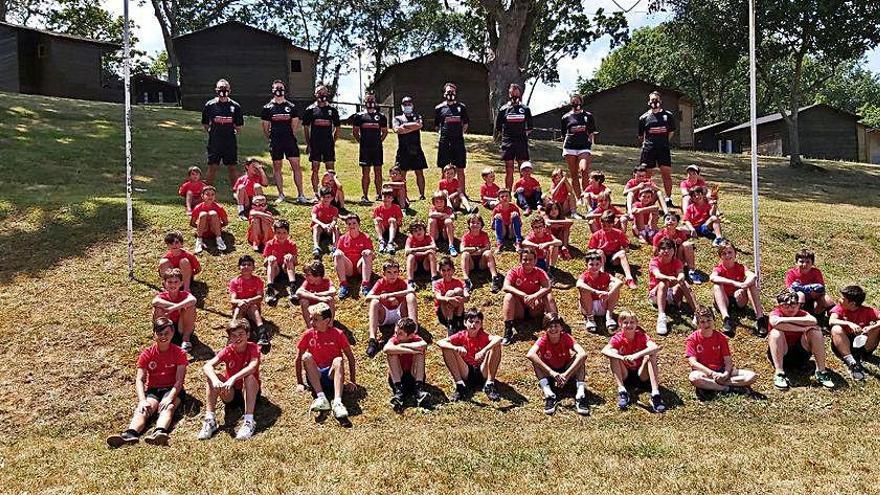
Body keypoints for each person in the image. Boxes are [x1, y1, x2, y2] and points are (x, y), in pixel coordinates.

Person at [106, 318, 188, 448]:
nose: (163, 337)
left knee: (168, 407)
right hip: (154, 390)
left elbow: (179, 380)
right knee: (143, 409)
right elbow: (140, 379)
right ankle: (129, 434)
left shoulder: (179, 353)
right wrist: (142, 400)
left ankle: (160, 432)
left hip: (172, 389)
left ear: (172, 333)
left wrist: (170, 398)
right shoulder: (147, 354)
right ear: (154, 334)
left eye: (166, 333)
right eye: (159, 334)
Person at [197, 320, 261, 441]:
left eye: (241, 334)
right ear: (230, 338)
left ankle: (249, 421)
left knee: (249, 377)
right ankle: (210, 420)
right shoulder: (228, 350)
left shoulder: (253, 347)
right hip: (230, 392)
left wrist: (233, 378)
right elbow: (207, 366)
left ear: (248, 335)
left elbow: (252, 367)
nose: (237, 338)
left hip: (249, 391)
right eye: (234, 335)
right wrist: (216, 380)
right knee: (213, 375)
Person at [295, 303, 357, 419]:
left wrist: (352, 381)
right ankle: (321, 397)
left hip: (331, 375)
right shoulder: (308, 334)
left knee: (338, 360)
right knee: (306, 357)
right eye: (311, 319)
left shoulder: (338, 334)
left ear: (327, 320)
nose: (312, 323)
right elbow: (298, 358)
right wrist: (299, 382)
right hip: (316, 375)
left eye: (316, 320)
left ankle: (338, 402)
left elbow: (350, 357)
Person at [768, 289, 835, 389]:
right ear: (779, 306)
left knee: (816, 331)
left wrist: (786, 320)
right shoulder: (775, 313)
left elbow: (813, 320)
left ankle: (821, 371)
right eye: (786, 306)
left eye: (793, 305)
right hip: (781, 352)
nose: (790, 308)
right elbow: (775, 323)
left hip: (800, 353)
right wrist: (802, 328)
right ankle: (779, 373)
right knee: (776, 333)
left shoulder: (802, 313)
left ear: (799, 305)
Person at [601, 310, 666, 413]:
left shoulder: (642, 336)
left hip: (642, 374)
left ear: (636, 324)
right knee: (613, 355)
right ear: (620, 324)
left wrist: (636, 355)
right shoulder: (617, 338)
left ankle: (655, 394)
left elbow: (654, 347)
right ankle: (622, 391)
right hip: (625, 374)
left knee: (651, 355)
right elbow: (604, 350)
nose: (629, 325)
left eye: (632, 322)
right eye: (625, 322)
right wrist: (621, 357)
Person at [686, 306, 758, 398]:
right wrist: (712, 373)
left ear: (714, 320)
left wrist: (726, 373)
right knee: (694, 378)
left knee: (752, 376)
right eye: (702, 322)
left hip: (721, 370)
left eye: (709, 320)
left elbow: (728, 360)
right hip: (705, 372)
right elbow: (693, 362)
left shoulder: (721, 338)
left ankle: (715, 385)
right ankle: (727, 388)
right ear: (698, 324)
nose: (706, 324)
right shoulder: (692, 339)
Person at [526, 315, 589, 415]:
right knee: (535, 360)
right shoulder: (543, 339)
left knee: (580, 359)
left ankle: (580, 395)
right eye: (550, 326)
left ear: (561, 327)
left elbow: (582, 353)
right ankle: (549, 394)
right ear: (545, 328)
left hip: (565, 369)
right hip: (549, 371)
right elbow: (530, 354)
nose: (553, 329)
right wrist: (552, 373)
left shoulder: (566, 337)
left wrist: (566, 375)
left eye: (556, 326)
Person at [437, 308, 502, 401]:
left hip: (482, 370)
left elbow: (498, 339)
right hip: (466, 371)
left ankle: (489, 384)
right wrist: (456, 348)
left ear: (481, 324)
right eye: (471, 321)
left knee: (496, 346)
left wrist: (484, 350)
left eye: (477, 322)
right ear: (465, 323)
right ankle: (460, 385)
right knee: (447, 348)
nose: (473, 325)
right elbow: (440, 342)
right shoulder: (461, 335)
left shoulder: (483, 335)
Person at [261, 79, 307, 204]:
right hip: (275, 141)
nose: (279, 90)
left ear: (284, 90)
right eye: (277, 88)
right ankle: (281, 194)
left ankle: (301, 194)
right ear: (272, 90)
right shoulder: (267, 108)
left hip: (290, 141)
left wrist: (288, 135)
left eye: (281, 88)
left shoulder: (291, 107)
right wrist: (272, 137)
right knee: (277, 167)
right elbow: (265, 128)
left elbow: (295, 125)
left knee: (296, 166)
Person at [709, 241, 768, 337]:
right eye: (724, 253)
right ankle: (726, 319)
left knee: (751, 284)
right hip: (724, 301)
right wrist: (735, 283)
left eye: (730, 252)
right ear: (720, 256)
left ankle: (760, 319)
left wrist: (744, 286)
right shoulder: (718, 268)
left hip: (739, 300)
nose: (727, 255)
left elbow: (752, 276)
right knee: (717, 284)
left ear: (735, 254)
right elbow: (712, 277)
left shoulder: (740, 267)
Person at [502, 248, 558, 345]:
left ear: (535, 260)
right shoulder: (514, 272)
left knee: (548, 295)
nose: (527, 262)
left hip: (534, 308)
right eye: (524, 259)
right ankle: (508, 330)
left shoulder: (539, 272)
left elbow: (548, 287)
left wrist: (535, 296)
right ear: (520, 261)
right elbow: (506, 286)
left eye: (531, 259)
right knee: (508, 296)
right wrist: (523, 295)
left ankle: (555, 324)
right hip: (519, 309)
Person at [365, 260, 418, 358]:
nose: (392, 275)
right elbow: (368, 297)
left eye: (395, 272)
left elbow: (412, 291)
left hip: (400, 313)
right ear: (383, 273)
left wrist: (392, 295)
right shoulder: (380, 282)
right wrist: (383, 297)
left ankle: (413, 332)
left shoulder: (401, 281)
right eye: (389, 272)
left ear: (398, 273)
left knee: (410, 296)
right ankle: (373, 340)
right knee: (374, 302)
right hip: (384, 314)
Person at [829, 285, 880, 381]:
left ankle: (862, 355)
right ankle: (851, 361)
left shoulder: (867, 311)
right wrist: (849, 324)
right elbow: (831, 321)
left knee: (877, 328)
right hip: (843, 343)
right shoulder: (839, 308)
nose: (840, 300)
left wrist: (870, 327)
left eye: (843, 299)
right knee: (836, 328)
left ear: (852, 303)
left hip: (862, 343)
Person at [649, 238, 697, 336]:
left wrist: (681, 276)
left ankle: (697, 312)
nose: (666, 251)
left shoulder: (677, 262)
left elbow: (680, 273)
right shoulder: (654, 262)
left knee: (684, 283)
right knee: (663, 283)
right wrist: (670, 278)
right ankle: (661, 316)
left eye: (669, 248)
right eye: (663, 248)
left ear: (674, 250)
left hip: (671, 292)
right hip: (656, 294)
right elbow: (657, 275)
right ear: (658, 251)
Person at [201, 79, 243, 189]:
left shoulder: (235, 106)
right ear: (216, 90)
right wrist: (213, 132)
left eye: (225, 89)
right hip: (215, 142)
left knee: (232, 167)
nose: (223, 91)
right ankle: (206, 193)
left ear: (229, 90)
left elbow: (238, 126)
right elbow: (205, 124)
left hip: (230, 142)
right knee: (212, 167)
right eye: (220, 89)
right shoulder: (210, 105)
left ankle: (237, 192)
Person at [638, 91, 676, 207]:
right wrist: (648, 144)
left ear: (660, 101)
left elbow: (671, 132)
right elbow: (641, 136)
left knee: (666, 174)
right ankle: (644, 198)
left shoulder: (668, 115)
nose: (654, 102)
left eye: (657, 100)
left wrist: (663, 142)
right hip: (649, 149)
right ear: (649, 102)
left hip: (663, 149)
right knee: (646, 176)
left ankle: (668, 198)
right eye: (652, 100)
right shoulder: (643, 117)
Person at [302, 85, 341, 196]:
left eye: (324, 92)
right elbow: (305, 127)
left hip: (328, 144)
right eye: (319, 92)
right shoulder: (310, 110)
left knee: (330, 170)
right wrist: (308, 144)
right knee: (315, 169)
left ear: (327, 94)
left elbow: (337, 127)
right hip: (315, 144)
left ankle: (332, 193)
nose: (322, 94)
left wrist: (333, 141)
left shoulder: (332, 110)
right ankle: (316, 193)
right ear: (315, 94)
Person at [384, 317, 430, 409]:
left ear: (410, 335)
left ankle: (419, 389)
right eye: (396, 332)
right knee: (391, 354)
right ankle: (399, 391)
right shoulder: (394, 339)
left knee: (420, 353)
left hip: (414, 375)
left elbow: (423, 345)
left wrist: (402, 347)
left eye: (400, 334)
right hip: (399, 376)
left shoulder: (416, 339)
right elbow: (386, 349)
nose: (396, 336)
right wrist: (411, 351)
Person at [228, 255, 270, 354]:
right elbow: (233, 300)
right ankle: (232, 333)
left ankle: (262, 334)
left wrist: (248, 301)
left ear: (253, 267)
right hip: (240, 307)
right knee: (239, 307)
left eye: (249, 264)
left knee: (253, 307)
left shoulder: (258, 280)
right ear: (239, 267)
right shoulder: (234, 282)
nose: (246, 266)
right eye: (243, 264)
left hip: (252, 308)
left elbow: (260, 297)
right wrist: (241, 302)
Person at [352, 92, 388, 202]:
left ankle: (379, 194)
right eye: (368, 100)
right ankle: (365, 195)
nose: (370, 102)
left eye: (372, 100)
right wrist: (362, 142)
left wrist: (378, 141)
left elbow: (385, 132)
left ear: (375, 101)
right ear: (364, 102)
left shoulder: (381, 117)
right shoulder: (359, 116)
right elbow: (355, 132)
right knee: (365, 172)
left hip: (377, 148)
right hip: (365, 149)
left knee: (378, 172)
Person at [496, 83, 533, 190]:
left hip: (521, 142)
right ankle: (508, 192)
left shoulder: (525, 109)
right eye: (513, 94)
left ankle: (523, 191)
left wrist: (522, 134)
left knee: (523, 168)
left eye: (517, 94)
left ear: (520, 94)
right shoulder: (503, 109)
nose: (515, 97)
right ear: (509, 94)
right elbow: (498, 127)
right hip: (508, 142)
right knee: (509, 168)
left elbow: (530, 127)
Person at [151, 268, 197, 354]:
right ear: (164, 284)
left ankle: (186, 340)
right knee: (158, 309)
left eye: (176, 282)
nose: (173, 285)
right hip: (167, 324)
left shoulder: (184, 294)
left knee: (191, 307)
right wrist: (176, 306)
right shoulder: (162, 296)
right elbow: (155, 301)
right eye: (170, 282)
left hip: (181, 326)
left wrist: (175, 308)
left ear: (181, 283)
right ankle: (162, 336)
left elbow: (193, 300)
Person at [576, 250, 623, 333]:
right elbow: (579, 284)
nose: (594, 267)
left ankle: (609, 316)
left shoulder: (605, 275)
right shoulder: (585, 276)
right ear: (586, 265)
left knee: (614, 286)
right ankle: (590, 319)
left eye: (597, 264)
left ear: (601, 264)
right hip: (588, 306)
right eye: (591, 264)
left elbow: (619, 282)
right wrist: (596, 292)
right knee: (583, 289)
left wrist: (609, 293)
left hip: (602, 303)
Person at [434, 82, 469, 193]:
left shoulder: (461, 107)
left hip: (458, 142)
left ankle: (461, 193)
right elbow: (436, 126)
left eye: (452, 91)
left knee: (460, 168)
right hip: (445, 142)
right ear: (444, 93)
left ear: (456, 93)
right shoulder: (439, 108)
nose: (450, 93)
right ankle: (443, 194)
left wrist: (460, 133)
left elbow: (466, 123)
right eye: (448, 91)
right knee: (444, 168)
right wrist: (443, 134)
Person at [587, 211, 637, 288]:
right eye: (604, 225)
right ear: (601, 223)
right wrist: (597, 251)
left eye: (609, 225)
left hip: (613, 258)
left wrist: (625, 249)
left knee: (622, 253)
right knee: (600, 252)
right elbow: (590, 250)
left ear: (613, 223)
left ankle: (629, 278)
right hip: (601, 259)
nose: (606, 228)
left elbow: (626, 247)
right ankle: (601, 277)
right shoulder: (596, 235)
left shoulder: (619, 233)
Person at [560, 94, 596, 199]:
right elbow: (563, 133)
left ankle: (586, 195)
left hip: (584, 146)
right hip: (570, 147)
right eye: (573, 101)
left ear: (581, 102)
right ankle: (578, 197)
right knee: (574, 174)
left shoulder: (588, 116)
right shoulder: (566, 117)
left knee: (584, 170)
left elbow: (591, 132)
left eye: (577, 101)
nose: (575, 103)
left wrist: (590, 143)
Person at [393, 96, 428, 200]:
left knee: (419, 173)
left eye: (409, 104)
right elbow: (397, 130)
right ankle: (404, 195)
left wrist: (405, 127)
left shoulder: (417, 116)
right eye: (405, 104)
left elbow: (419, 125)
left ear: (412, 105)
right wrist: (412, 127)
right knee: (402, 174)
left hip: (416, 149)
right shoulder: (397, 118)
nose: (407, 106)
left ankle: (422, 195)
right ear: (402, 106)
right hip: (403, 150)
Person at [333, 214, 375, 299]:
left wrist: (369, 252)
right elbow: (338, 252)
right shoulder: (342, 238)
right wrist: (337, 252)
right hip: (349, 269)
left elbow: (373, 256)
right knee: (337, 254)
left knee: (367, 254)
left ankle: (365, 284)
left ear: (359, 224)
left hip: (361, 268)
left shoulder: (365, 237)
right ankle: (343, 285)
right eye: (349, 224)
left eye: (354, 223)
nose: (352, 226)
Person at [785, 249, 835, 319]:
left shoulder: (816, 272)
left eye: (808, 262)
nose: (804, 264)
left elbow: (821, 289)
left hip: (813, 298)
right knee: (800, 295)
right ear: (796, 262)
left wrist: (817, 294)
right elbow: (791, 289)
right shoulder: (791, 273)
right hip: (798, 300)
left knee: (827, 300)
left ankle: (832, 320)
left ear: (812, 263)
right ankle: (798, 318)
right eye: (801, 261)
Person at [460, 213, 503, 292]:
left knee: (488, 253)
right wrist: (476, 249)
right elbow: (462, 249)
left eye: (478, 223)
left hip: (481, 263)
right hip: (471, 264)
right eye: (473, 222)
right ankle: (466, 280)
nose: (475, 224)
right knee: (465, 255)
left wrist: (473, 251)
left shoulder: (484, 235)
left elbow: (487, 247)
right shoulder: (466, 236)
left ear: (481, 225)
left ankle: (494, 278)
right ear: (469, 224)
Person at [652, 212, 699, 283]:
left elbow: (686, 248)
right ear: (664, 222)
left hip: (678, 258)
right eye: (668, 219)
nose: (670, 221)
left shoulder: (680, 233)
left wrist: (679, 244)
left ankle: (691, 271)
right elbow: (655, 253)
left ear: (677, 223)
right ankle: (674, 270)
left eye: (673, 220)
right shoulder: (659, 236)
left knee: (687, 244)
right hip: (666, 258)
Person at [262, 219, 299, 306]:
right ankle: (270, 288)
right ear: (274, 233)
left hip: (286, 270)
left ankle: (293, 286)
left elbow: (296, 262)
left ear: (288, 233)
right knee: (272, 260)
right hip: (275, 271)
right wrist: (269, 259)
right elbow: (265, 264)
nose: (281, 235)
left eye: (284, 233)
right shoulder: (270, 244)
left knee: (289, 259)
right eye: (278, 233)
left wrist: (292, 257)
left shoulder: (291, 244)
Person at [433, 256, 470, 336]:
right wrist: (450, 299)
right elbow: (438, 297)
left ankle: (459, 320)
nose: (446, 273)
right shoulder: (438, 283)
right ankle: (450, 323)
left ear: (453, 270)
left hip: (457, 310)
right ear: (440, 272)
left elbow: (467, 295)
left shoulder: (459, 282)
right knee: (450, 293)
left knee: (458, 290)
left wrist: (461, 298)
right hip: (444, 313)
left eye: (449, 270)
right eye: (443, 270)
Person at [295, 260, 336, 327]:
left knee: (330, 299)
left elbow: (333, 291)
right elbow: (298, 292)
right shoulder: (307, 282)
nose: (306, 277)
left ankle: (330, 324)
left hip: (323, 308)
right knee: (303, 301)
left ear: (317, 275)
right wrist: (318, 298)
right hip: (312, 308)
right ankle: (310, 326)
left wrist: (318, 294)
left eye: (308, 275)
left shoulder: (326, 281)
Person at [189, 185, 228, 253]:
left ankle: (219, 239)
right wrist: (200, 227)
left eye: (212, 194)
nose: (210, 196)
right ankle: (199, 240)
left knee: (213, 213)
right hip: (203, 231)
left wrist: (217, 226)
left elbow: (225, 222)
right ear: (202, 196)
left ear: (215, 196)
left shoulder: (219, 208)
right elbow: (192, 223)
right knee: (203, 214)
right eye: (207, 194)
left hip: (215, 231)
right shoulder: (198, 207)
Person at [404, 219, 439, 288]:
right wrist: (425, 252)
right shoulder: (410, 239)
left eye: (420, 229)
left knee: (431, 254)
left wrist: (414, 251)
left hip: (426, 264)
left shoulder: (428, 237)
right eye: (415, 231)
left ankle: (434, 278)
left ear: (424, 230)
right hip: (415, 266)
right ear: (412, 233)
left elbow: (434, 247)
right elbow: (407, 251)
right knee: (410, 257)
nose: (418, 232)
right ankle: (410, 281)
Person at [310, 186, 340, 258]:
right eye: (324, 197)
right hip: (320, 227)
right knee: (316, 226)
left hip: (328, 228)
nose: (326, 199)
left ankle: (335, 247)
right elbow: (314, 218)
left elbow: (334, 220)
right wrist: (323, 225)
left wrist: (331, 225)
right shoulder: (316, 207)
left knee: (336, 227)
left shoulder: (334, 209)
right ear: (321, 197)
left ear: (332, 198)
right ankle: (316, 247)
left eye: (328, 197)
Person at [373, 187, 403, 254]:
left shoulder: (396, 208)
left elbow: (399, 222)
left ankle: (390, 242)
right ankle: (381, 240)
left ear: (392, 199)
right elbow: (374, 220)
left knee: (392, 220)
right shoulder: (378, 209)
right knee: (376, 221)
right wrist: (378, 219)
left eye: (389, 197)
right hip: (383, 229)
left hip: (393, 228)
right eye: (384, 197)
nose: (386, 199)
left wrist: (393, 220)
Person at [428, 191, 458, 256]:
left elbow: (453, 216)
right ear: (434, 203)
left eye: (441, 201)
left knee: (448, 221)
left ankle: (451, 246)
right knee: (431, 220)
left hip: (445, 233)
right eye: (437, 202)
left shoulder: (447, 209)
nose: (439, 204)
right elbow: (430, 214)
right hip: (436, 233)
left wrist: (447, 216)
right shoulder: (433, 209)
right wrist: (441, 214)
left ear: (445, 202)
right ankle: (432, 243)